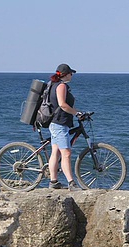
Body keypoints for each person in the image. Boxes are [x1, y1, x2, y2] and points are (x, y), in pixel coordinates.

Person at [47, 63, 83, 191]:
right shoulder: (61, 86)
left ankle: (53, 181)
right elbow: (62, 104)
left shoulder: (53, 85)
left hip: (56, 123)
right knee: (66, 153)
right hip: (59, 124)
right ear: (66, 74)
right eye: (71, 73)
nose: (72, 75)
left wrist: (77, 112)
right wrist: (76, 113)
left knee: (55, 152)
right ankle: (71, 183)